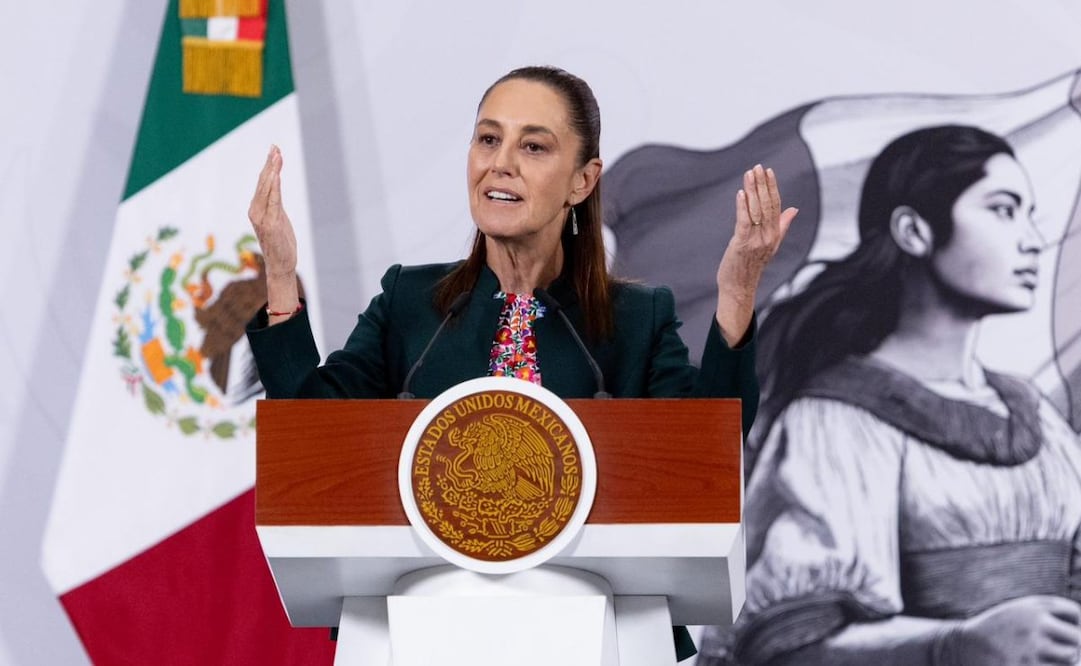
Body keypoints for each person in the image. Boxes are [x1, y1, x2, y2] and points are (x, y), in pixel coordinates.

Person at [245, 65, 797, 661]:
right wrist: (280, 275)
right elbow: (310, 438)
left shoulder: (636, 318)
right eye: (488, 139)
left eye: (533, 146)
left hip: (602, 637)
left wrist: (738, 293)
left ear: (582, 182)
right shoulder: (410, 303)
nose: (500, 163)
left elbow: (705, 458)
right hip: (417, 634)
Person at [701, 125, 1081, 665]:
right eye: (1003, 209)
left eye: (1029, 212)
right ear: (914, 231)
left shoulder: (1035, 414)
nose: (1032, 239)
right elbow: (786, 644)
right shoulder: (837, 421)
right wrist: (958, 645)